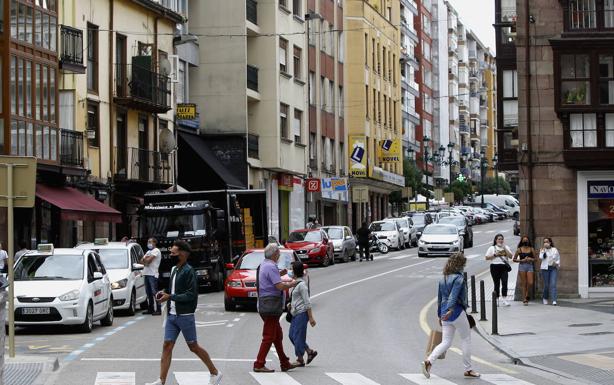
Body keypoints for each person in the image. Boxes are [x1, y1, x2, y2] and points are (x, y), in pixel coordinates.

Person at [146, 240, 222, 385]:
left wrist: (171, 296)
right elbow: (173, 290)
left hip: (185, 316)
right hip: (172, 315)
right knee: (167, 345)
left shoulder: (189, 271)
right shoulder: (174, 269)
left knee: (193, 346)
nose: (170, 255)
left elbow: (191, 295)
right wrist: (164, 294)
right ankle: (161, 380)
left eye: (173, 253)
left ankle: (215, 372)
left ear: (182, 254)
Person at [421, 253, 479, 379]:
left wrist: (440, 314)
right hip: (455, 311)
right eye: (463, 264)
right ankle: (468, 369)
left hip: (444, 313)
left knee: (446, 341)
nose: (464, 266)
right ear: (460, 264)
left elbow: (440, 297)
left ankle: (429, 361)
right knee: (466, 339)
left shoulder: (444, 278)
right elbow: (453, 295)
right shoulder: (459, 278)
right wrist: (451, 309)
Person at [253, 243, 299, 373]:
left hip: (266, 304)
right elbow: (278, 286)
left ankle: (284, 362)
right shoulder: (271, 266)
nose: (279, 255)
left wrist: (281, 273)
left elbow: (269, 280)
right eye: (278, 253)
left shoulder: (264, 265)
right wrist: (292, 283)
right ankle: (259, 363)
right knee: (269, 336)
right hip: (271, 305)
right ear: (274, 254)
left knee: (277, 336)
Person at [288, 261, 317, 367]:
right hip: (295, 314)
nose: (290, 271)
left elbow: (307, 302)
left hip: (302, 313)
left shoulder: (302, 285)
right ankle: (309, 352)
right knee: (292, 335)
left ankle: (300, 359)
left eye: (291, 269)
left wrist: (311, 317)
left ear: (295, 272)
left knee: (297, 336)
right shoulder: (295, 283)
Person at [485, 234, 513, 306]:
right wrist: (495, 255)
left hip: (504, 267)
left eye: (501, 239)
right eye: (499, 239)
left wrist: (505, 249)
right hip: (495, 266)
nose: (500, 240)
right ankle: (496, 299)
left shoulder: (506, 247)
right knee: (496, 283)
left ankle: (504, 299)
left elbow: (510, 256)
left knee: (504, 282)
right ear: (496, 240)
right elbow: (487, 257)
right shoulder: (492, 248)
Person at [141, 238, 162, 315]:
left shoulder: (156, 250)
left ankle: (159, 309)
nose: (148, 243)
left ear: (154, 243)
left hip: (153, 274)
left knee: (155, 292)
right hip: (146, 273)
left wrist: (146, 260)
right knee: (148, 293)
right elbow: (141, 261)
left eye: (150, 242)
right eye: (148, 242)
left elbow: (148, 261)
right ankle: (151, 308)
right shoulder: (148, 251)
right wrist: (145, 260)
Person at [513, 236, 536, 305]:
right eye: (524, 240)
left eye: (526, 240)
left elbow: (535, 259)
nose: (525, 242)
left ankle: (527, 293)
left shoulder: (531, 249)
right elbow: (514, 259)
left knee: (530, 282)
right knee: (524, 283)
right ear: (522, 241)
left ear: (528, 241)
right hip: (522, 266)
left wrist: (530, 259)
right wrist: (521, 260)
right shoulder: (519, 249)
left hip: (530, 266)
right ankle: (524, 298)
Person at [539, 237, 561, 306]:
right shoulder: (542, 250)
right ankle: (545, 298)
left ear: (550, 243)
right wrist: (545, 250)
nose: (546, 243)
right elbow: (541, 257)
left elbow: (558, 258)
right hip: (545, 269)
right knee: (546, 285)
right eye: (544, 242)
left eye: (547, 242)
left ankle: (554, 300)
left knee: (553, 284)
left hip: (553, 268)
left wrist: (557, 263)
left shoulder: (554, 250)